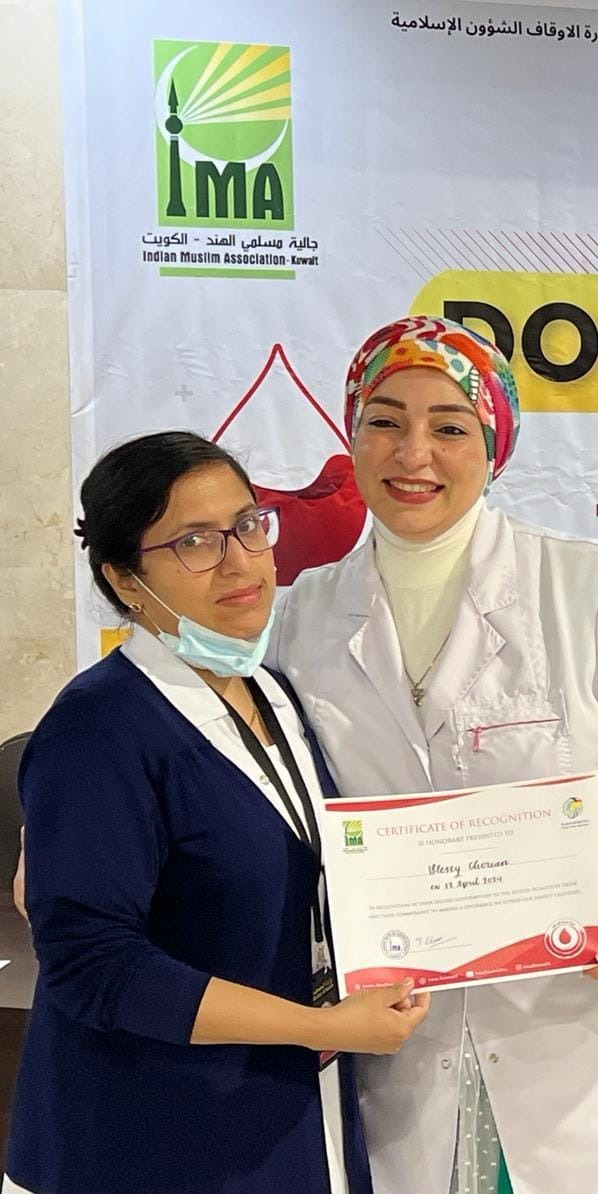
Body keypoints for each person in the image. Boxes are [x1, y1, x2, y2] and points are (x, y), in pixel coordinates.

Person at [271, 316, 598, 1194]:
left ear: (493, 446)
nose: (413, 454)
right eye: (384, 421)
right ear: (351, 436)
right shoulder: (304, 613)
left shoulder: (588, 587)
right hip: (415, 1058)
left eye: (449, 427)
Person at [4, 432, 429, 1194]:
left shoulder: (275, 693)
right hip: (151, 1139)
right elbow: (93, 965)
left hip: (283, 1116)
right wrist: (317, 1027)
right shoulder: (97, 730)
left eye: (248, 525)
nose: (239, 561)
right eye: (193, 542)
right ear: (125, 579)